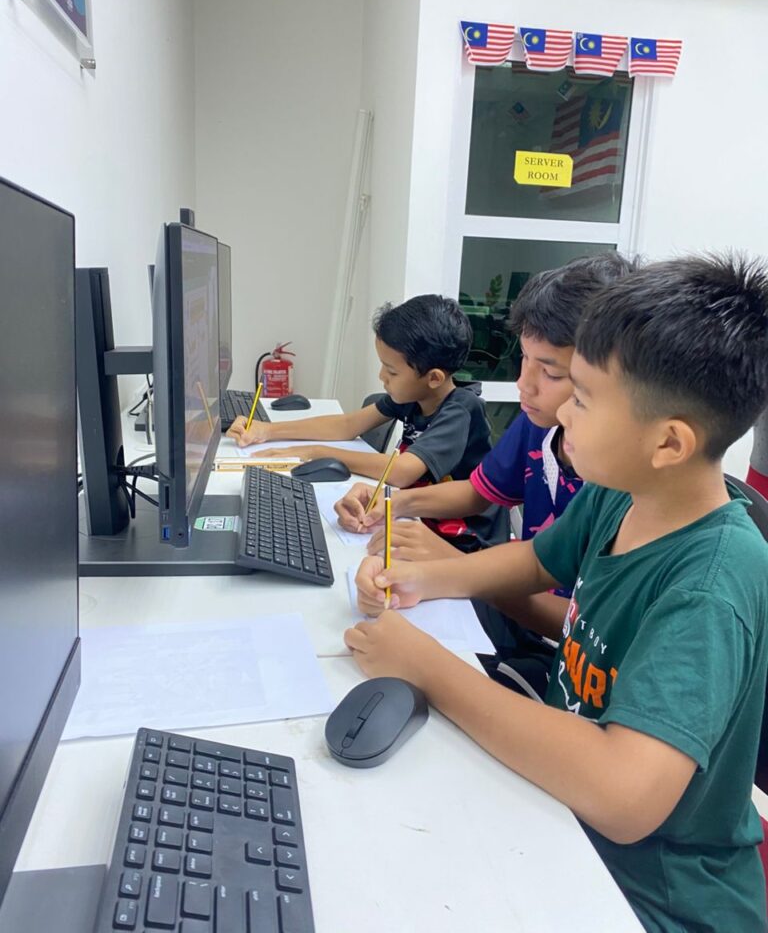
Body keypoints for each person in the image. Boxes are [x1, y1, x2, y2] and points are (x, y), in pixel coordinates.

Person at [348, 254, 768, 933]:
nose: (561, 411)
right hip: (560, 816)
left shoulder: (710, 584)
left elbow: (624, 796)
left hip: (652, 895)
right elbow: (535, 561)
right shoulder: (621, 492)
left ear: (668, 442)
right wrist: (422, 577)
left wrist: (426, 667)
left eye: (583, 398)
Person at [335, 254, 636, 695]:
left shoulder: (625, 492)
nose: (523, 385)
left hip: (553, 651)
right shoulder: (540, 426)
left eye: (552, 372)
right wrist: (395, 506)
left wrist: (454, 567)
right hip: (525, 615)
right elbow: (483, 494)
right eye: (524, 359)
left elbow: (586, 628)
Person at [228, 294, 507, 551]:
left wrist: (315, 452)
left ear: (433, 378)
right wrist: (268, 430)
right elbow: (347, 425)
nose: (381, 376)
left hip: (466, 543)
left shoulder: (461, 410)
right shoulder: (415, 395)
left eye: (392, 371)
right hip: (420, 518)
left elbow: (401, 472)